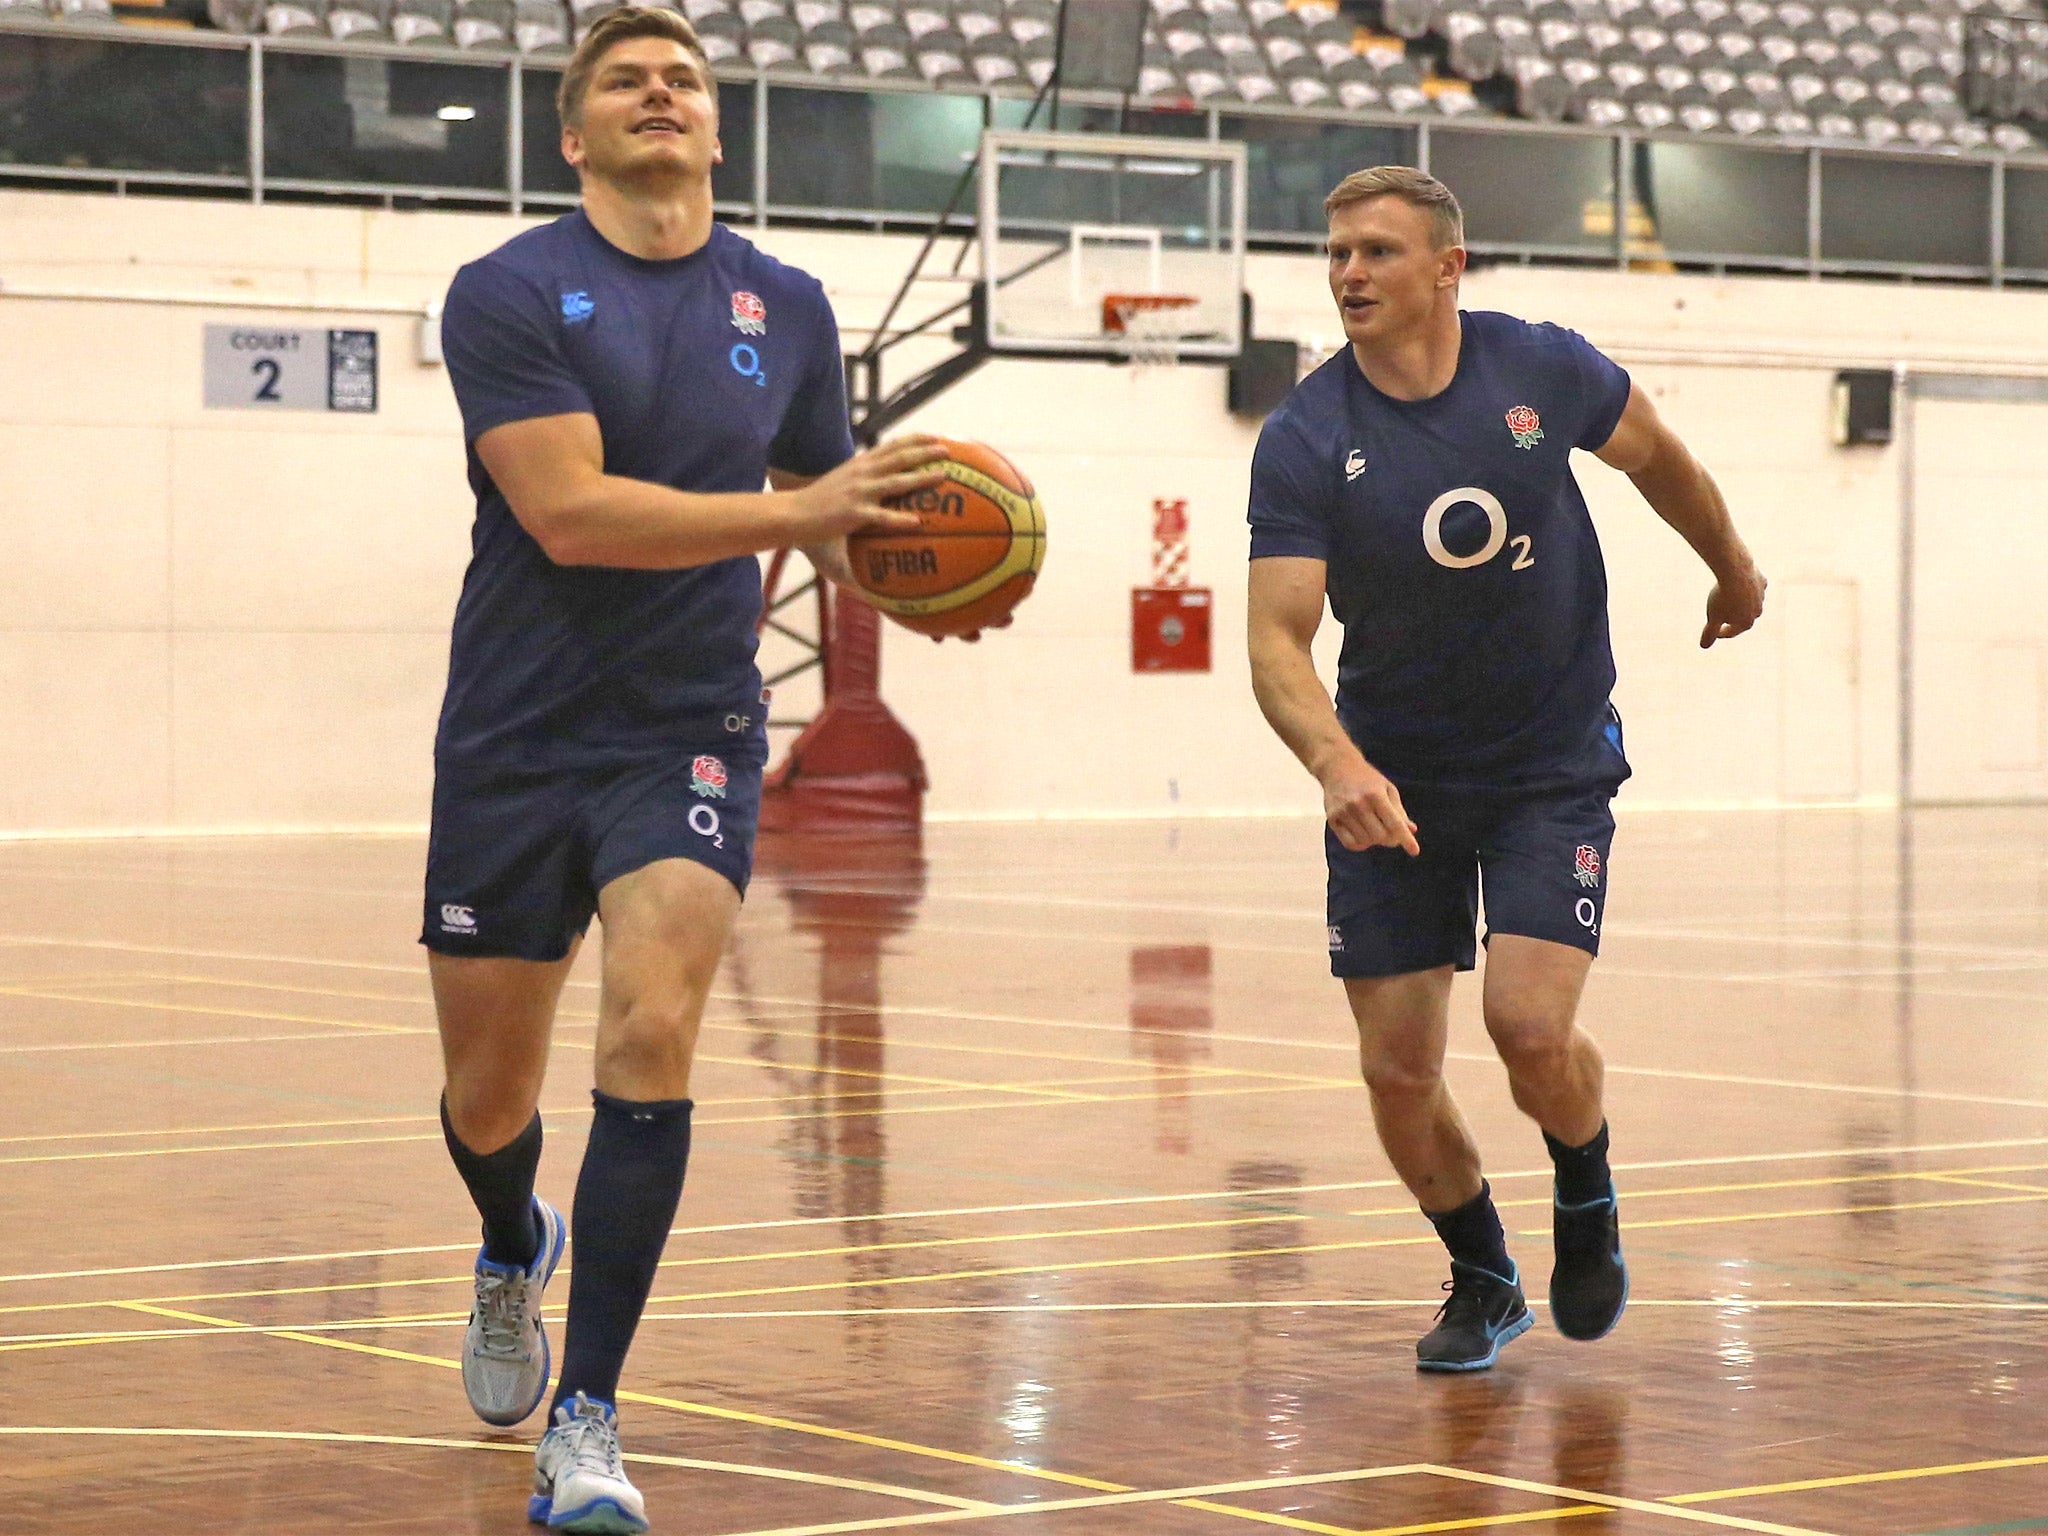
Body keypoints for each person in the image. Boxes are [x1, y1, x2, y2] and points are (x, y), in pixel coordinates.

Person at [423, 10, 942, 1530]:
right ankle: (517, 1239)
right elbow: (573, 514)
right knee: (483, 1095)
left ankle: (586, 1420)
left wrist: (924, 582)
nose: (663, 94)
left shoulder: (785, 304)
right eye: (625, 82)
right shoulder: (510, 289)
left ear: (718, 131)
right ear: (575, 135)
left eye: (689, 82)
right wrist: (808, 519)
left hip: (689, 721)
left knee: (652, 1030)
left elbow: (832, 514)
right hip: (515, 730)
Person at [1245, 166, 1767, 1373]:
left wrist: (1730, 567)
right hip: (1395, 776)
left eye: (1376, 252)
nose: (1348, 275)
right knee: (1394, 1070)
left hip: (1548, 761)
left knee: (1527, 1027)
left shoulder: (1538, 365)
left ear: (1445, 267)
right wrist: (1334, 761)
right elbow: (1276, 640)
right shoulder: (1307, 435)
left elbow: (1661, 461)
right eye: (1335, 255)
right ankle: (1481, 1274)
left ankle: (1582, 1186)